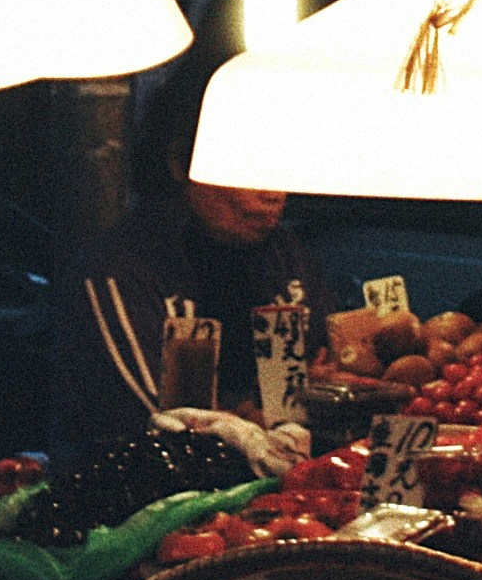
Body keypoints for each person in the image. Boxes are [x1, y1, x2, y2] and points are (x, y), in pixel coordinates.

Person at [50, 43, 314, 453]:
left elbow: (325, 373)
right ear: (180, 163)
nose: (272, 193)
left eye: (279, 166)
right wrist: (250, 422)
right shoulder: (119, 270)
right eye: (248, 169)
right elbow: (161, 425)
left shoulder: (282, 250)